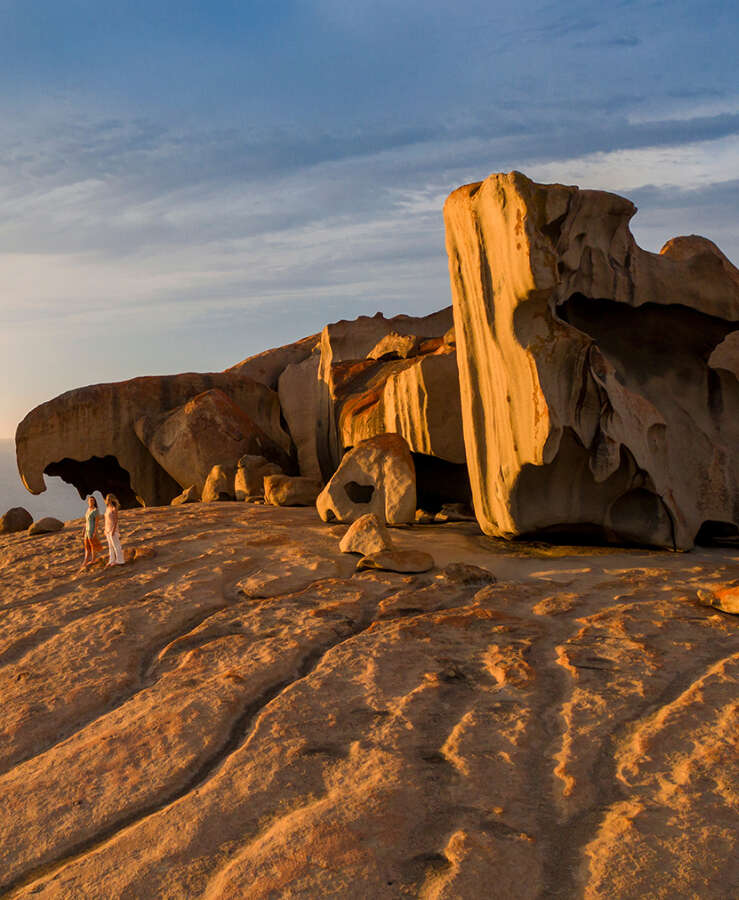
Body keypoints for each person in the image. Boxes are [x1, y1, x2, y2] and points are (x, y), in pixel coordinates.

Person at [104, 493, 125, 566]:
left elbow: (116, 520)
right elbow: (106, 520)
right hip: (107, 529)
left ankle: (120, 560)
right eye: (107, 499)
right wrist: (105, 529)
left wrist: (113, 530)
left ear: (112, 499)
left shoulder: (114, 509)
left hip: (113, 529)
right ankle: (111, 560)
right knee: (110, 546)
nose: (108, 500)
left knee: (116, 545)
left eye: (109, 499)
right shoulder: (107, 508)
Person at [81, 495, 101, 568]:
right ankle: (85, 561)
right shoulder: (88, 509)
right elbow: (86, 521)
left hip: (92, 530)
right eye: (90, 500)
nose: (91, 502)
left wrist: (95, 532)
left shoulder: (96, 510)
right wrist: (83, 530)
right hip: (86, 530)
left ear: (94, 502)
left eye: (92, 500)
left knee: (93, 546)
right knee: (87, 547)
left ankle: (93, 560)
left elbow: (96, 522)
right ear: (88, 502)